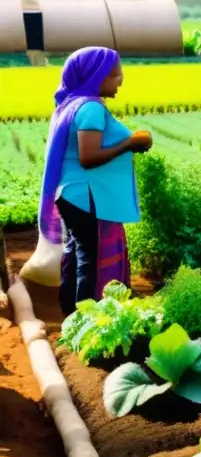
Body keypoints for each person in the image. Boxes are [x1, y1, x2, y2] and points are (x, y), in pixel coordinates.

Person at [38, 47, 153, 314]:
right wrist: (129, 143)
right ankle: (85, 318)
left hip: (71, 194)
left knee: (77, 254)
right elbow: (88, 157)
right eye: (114, 74)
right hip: (85, 194)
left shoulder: (71, 105)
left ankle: (71, 314)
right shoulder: (90, 108)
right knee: (89, 258)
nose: (121, 79)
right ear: (96, 77)